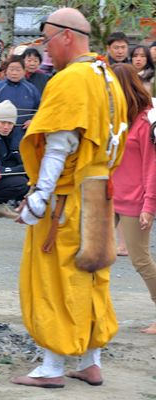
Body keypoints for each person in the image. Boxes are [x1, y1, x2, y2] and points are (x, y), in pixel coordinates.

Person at [12, 8, 127, 388]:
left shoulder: (71, 79)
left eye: (45, 39)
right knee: (90, 274)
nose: (43, 49)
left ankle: (52, 366)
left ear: (65, 36)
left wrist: (39, 197)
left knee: (56, 278)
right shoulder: (107, 76)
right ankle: (91, 362)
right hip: (100, 193)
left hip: (68, 197)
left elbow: (60, 145)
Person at [111, 63, 156, 335]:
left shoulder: (146, 121)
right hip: (108, 198)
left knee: (140, 259)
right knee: (96, 255)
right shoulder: (116, 119)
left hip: (136, 201)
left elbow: (152, 166)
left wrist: (149, 205)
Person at [0, 56, 41, 150]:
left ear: (24, 71)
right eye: (11, 69)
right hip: (1, 137)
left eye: (18, 70)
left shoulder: (31, 89)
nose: (14, 73)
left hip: (24, 135)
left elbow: (40, 109)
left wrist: (33, 120)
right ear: (6, 70)